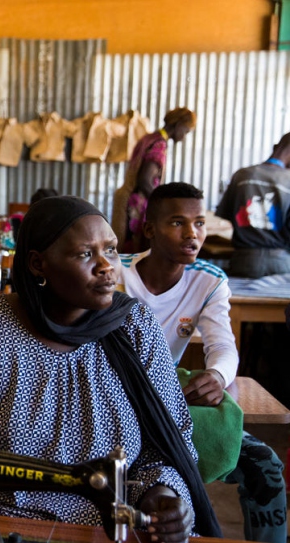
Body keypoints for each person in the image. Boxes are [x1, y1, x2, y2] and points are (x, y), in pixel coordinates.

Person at [0, 196, 221, 541]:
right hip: (2, 523)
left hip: (111, 523)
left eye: (111, 250)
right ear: (37, 263)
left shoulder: (135, 327)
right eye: (85, 254)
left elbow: (165, 446)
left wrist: (163, 497)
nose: (107, 266)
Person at [118, 182, 286, 543]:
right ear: (149, 229)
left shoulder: (208, 282)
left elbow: (223, 345)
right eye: (177, 223)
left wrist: (216, 373)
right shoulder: (116, 274)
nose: (192, 234)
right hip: (113, 403)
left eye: (199, 223)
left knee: (266, 467)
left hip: (168, 402)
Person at [112, 108, 196, 253]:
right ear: (179, 125)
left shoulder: (148, 138)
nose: (183, 137)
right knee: (134, 252)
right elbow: (145, 181)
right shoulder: (159, 144)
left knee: (122, 250)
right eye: (186, 131)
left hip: (125, 197)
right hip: (136, 203)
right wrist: (164, 204)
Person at [216, 133, 290, 278]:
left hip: (244, 261)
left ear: (275, 147)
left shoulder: (242, 175)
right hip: (281, 263)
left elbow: (228, 216)